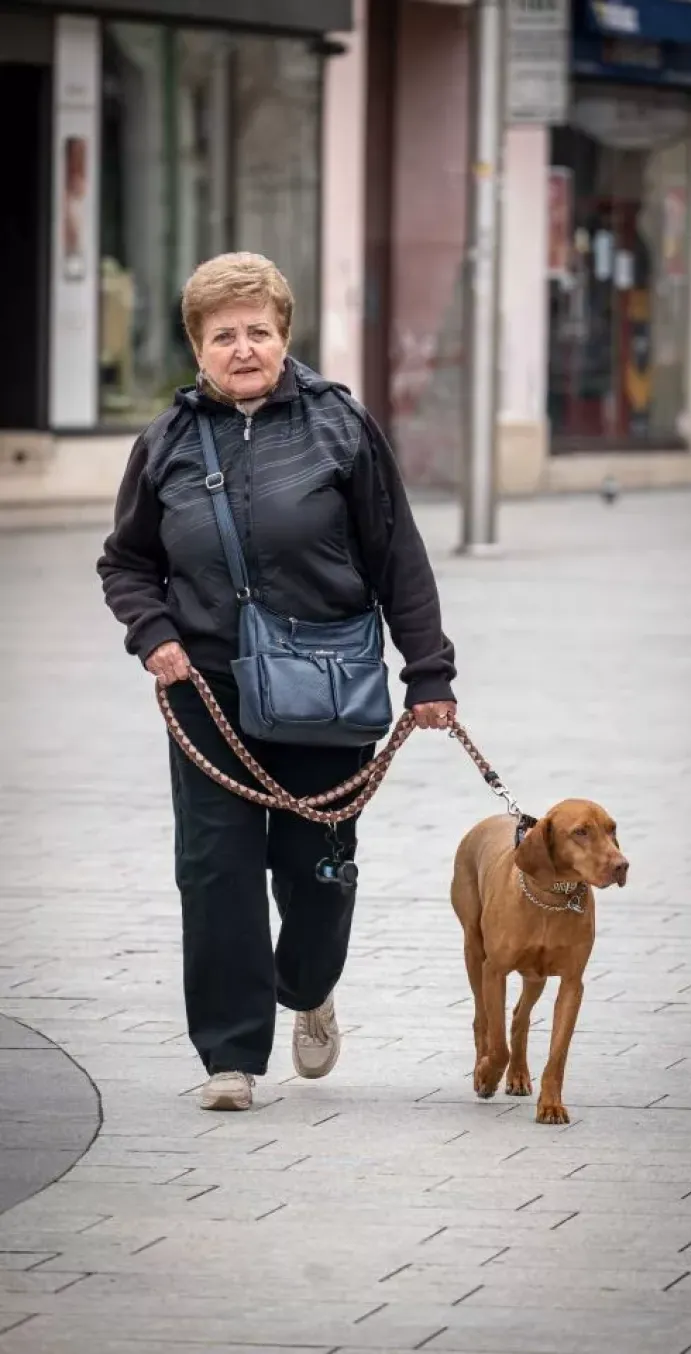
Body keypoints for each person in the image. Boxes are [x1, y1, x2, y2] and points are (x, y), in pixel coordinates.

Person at [97, 252, 457, 1112]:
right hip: (208, 685)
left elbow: (397, 555)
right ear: (198, 347)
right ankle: (230, 1056)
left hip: (325, 683)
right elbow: (126, 563)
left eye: (259, 330)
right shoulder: (168, 443)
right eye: (224, 334)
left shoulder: (340, 427)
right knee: (214, 869)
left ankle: (309, 985)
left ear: (285, 336)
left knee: (317, 866)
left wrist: (429, 673)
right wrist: (153, 635)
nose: (244, 347)